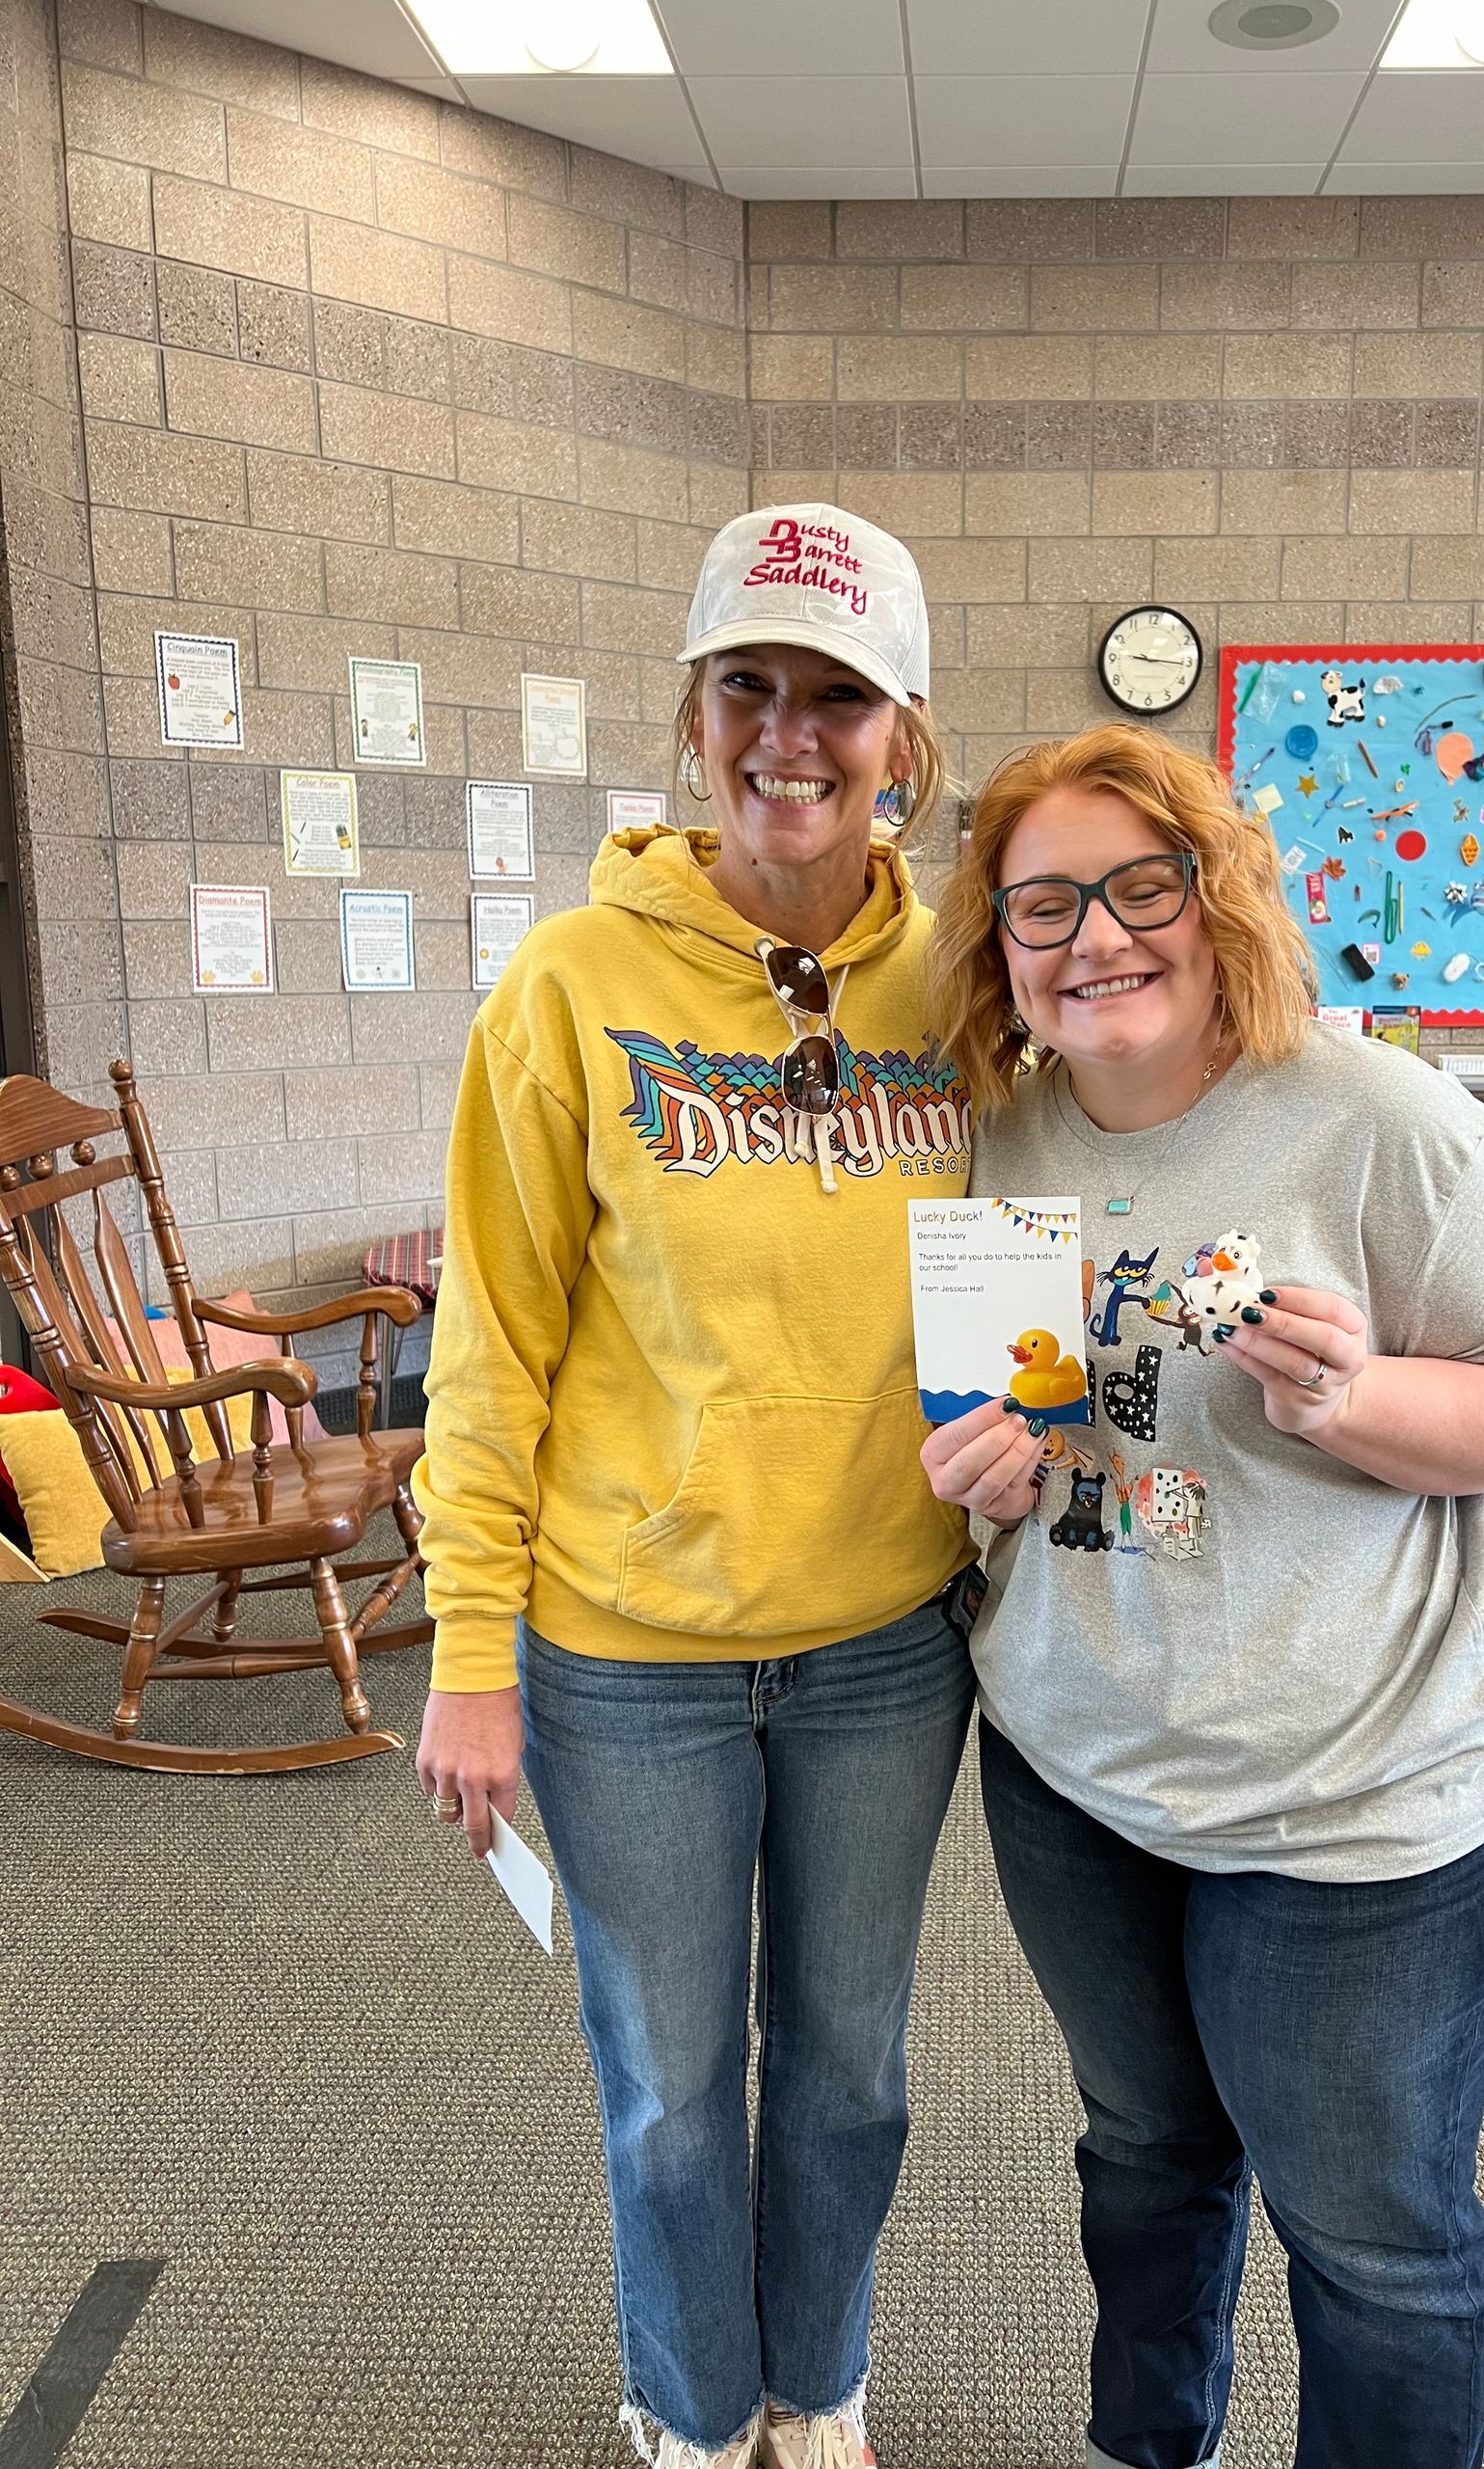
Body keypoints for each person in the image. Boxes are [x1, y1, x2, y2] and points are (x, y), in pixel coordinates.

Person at [921, 723, 1484, 2469]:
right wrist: (978, 1475)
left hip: (1356, 1798)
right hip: (1079, 1767)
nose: (1095, 939)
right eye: (1042, 905)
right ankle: (1152, 2450)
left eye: (1142, 888)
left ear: (1219, 901)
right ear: (996, 945)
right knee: (1144, 2152)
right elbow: (1002, 1411)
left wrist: (1350, 1400)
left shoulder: (1388, 1127)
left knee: (1369, 2231)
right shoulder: (991, 1141)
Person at [413, 503, 980, 2469]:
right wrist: (467, 1648)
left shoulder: (967, 990)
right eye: (751, 685)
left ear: (907, 731)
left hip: (889, 1645)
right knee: (667, 2084)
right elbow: (490, 1345)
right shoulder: (568, 989)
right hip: (621, 1651)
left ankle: (813, 2390)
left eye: (840, 694)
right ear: (691, 713)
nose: (791, 736)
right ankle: (692, 2400)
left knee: (850, 2073)